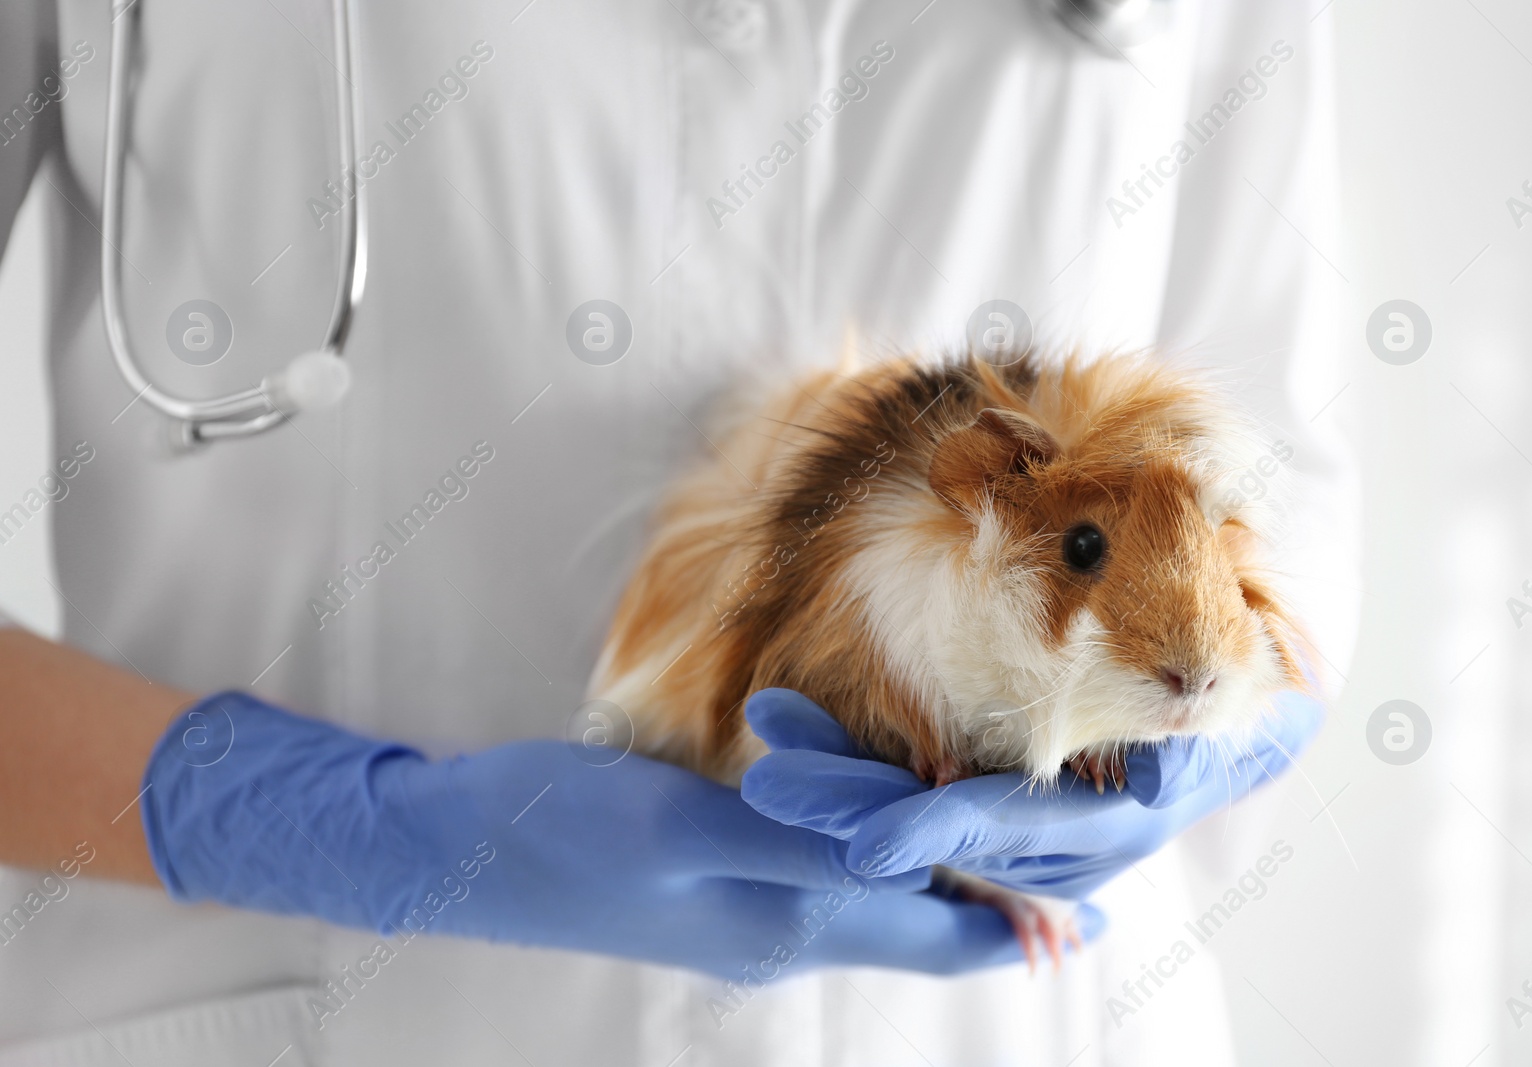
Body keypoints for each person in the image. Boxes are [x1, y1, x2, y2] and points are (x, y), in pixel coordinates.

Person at [0, 0, 1357, 1063]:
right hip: (311, 1007)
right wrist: (302, 821)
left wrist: (1225, 735)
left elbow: (1273, 469)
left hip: (1017, 1012)